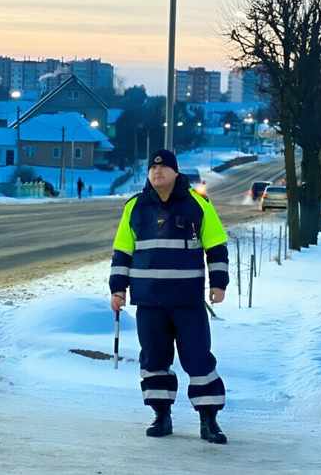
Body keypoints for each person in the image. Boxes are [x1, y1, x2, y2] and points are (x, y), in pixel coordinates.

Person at [109, 149, 230, 445]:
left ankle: (208, 420)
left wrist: (219, 283)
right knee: (154, 360)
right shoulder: (135, 208)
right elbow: (122, 251)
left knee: (198, 359)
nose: (157, 172)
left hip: (187, 301)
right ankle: (161, 416)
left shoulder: (197, 205)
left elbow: (216, 247)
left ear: (176, 173)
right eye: (152, 168)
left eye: (163, 168)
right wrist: (117, 288)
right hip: (149, 303)